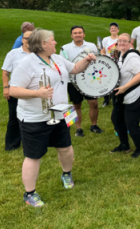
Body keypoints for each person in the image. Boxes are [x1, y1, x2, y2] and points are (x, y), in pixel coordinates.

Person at [10, 28, 97, 207]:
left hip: (63, 113)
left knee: (66, 147)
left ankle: (66, 174)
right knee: (34, 156)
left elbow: (74, 68)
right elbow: (13, 90)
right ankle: (29, 194)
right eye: (53, 40)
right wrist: (37, 93)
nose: (56, 42)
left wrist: (87, 60)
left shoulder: (56, 58)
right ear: (43, 44)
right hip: (35, 117)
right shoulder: (27, 63)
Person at [110, 33, 140, 158]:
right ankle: (124, 145)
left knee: (131, 122)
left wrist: (125, 87)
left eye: (125, 41)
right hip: (123, 93)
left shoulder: (132, 56)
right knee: (116, 119)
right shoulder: (121, 54)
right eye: (119, 41)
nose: (122, 43)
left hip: (137, 93)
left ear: (130, 43)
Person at [60, 26, 103, 137]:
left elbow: (97, 61)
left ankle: (94, 125)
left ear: (84, 34)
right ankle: (78, 129)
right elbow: (62, 65)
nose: (78, 35)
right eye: (75, 33)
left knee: (93, 103)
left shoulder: (91, 46)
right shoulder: (65, 48)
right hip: (72, 81)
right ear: (71, 35)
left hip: (90, 80)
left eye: (80, 32)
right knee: (76, 105)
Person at [2, 30, 32, 151]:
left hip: (33, 91)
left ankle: (29, 141)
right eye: (26, 38)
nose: (29, 41)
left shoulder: (39, 53)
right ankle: (12, 145)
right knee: (14, 117)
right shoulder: (13, 54)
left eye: (32, 38)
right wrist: (5, 88)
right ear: (22, 40)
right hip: (15, 90)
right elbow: (5, 72)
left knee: (31, 117)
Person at [101, 22, 119, 107]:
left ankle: (115, 98)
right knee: (105, 81)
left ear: (118, 30)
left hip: (118, 63)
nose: (113, 29)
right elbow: (103, 50)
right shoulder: (105, 39)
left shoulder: (120, 39)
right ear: (109, 30)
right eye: (112, 28)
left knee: (116, 81)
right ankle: (106, 99)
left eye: (115, 28)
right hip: (107, 63)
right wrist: (104, 59)